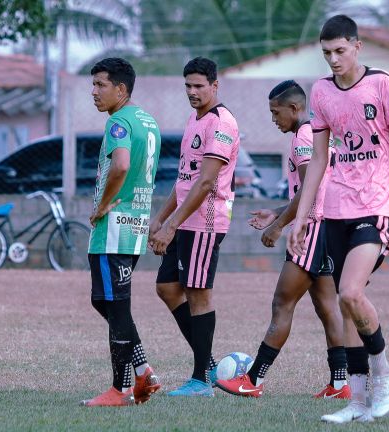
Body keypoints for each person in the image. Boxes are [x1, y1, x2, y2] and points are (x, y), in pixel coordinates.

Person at [287, 15, 389, 423]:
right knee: (346, 304)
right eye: (327, 53)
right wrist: (302, 216)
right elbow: (318, 159)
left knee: (349, 293)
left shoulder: (383, 83)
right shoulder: (320, 92)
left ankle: (383, 372)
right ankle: (357, 400)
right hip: (335, 209)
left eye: (340, 51)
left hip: (376, 205)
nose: (333, 59)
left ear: (356, 46)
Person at [215, 80, 350, 400]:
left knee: (282, 303)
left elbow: (309, 189)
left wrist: (278, 227)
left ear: (295, 108)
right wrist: (275, 213)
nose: (274, 119)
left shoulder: (305, 136)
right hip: (328, 227)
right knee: (327, 307)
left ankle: (253, 379)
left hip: (312, 230)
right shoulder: (316, 133)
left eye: (276, 113)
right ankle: (342, 385)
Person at [149, 57, 240, 397]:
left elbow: (204, 184)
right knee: (167, 288)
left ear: (215, 86)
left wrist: (170, 226)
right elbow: (185, 179)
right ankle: (210, 365)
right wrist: (161, 217)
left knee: (198, 295)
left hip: (204, 222)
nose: (193, 92)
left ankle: (202, 379)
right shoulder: (194, 119)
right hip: (183, 220)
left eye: (200, 85)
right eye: (188, 86)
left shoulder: (221, 123)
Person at [80, 58, 162, 407]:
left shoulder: (118, 121)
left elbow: (122, 163)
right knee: (108, 302)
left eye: (100, 85)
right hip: (136, 225)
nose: (94, 91)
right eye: (93, 84)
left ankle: (122, 387)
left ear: (121, 89)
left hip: (114, 226)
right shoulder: (148, 120)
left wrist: (102, 205)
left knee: (114, 304)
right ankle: (143, 371)